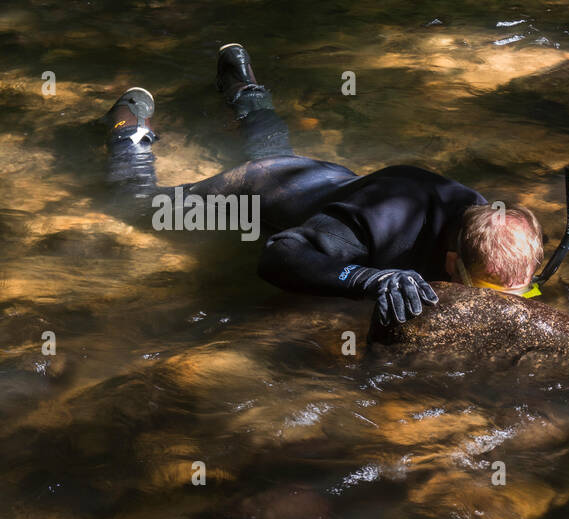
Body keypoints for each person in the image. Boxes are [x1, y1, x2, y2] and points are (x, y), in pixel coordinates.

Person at [103, 44, 546, 324]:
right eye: (489, 295)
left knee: (276, 151)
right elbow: (278, 256)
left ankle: (243, 83)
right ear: (451, 262)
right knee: (138, 206)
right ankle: (127, 129)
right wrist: (368, 280)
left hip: (322, 180)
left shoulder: (489, 225)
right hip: (261, 189)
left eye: (526, 290)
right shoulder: (371, 226)